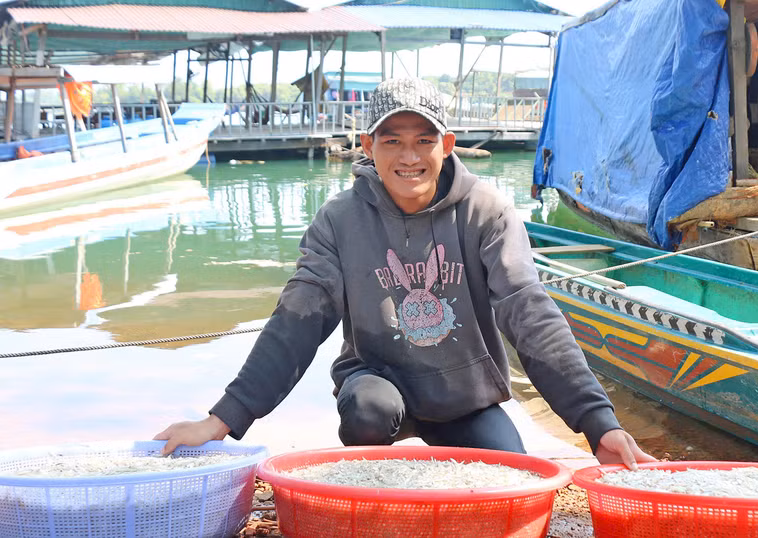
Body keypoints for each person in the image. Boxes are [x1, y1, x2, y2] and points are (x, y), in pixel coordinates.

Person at [155, 78, 655, 469]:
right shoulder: (338, 220)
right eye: (392, 140)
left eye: (424, 140)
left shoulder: (488, 212)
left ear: (447, 144)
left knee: (512, 471)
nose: (409, 157)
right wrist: (222, 419)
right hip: (377, 385)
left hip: (465, 397)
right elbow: (296, 321)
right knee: (367, 408)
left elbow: (530, 313)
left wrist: (598, 423)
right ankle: (375, 475)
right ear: (368, 145)